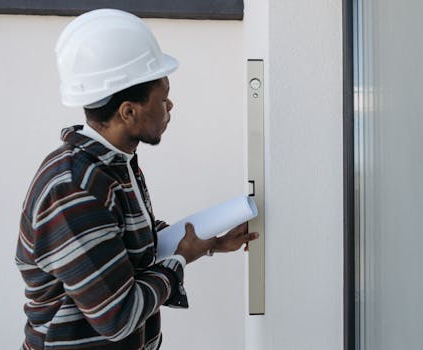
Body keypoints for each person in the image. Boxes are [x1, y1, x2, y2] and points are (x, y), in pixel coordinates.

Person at [15, 9, 258, 350]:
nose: (170, 105)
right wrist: (179, 261)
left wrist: (209, 242)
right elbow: (118, 316)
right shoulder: (74, 188)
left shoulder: (111, 165)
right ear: (129, 112)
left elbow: (128, 246)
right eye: (162, 96)